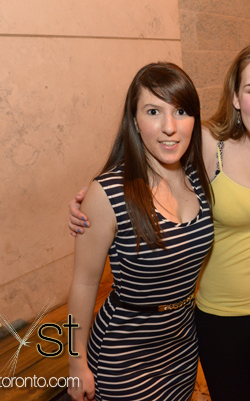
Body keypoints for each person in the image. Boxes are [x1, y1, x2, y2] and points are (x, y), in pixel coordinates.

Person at [69, 38, 250, 401]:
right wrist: (89, 202)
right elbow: (139, 164)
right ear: (235, 96)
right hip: (208, 321)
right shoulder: (208, 145)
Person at [66, 63, 214, 401]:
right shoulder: (108, 193)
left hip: (181, 346)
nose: (169, 127)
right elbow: (84, 283)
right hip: (124, 354)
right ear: (134, 121)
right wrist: (76, 363)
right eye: (153, 111)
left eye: (181, 111)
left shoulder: (198, 177)